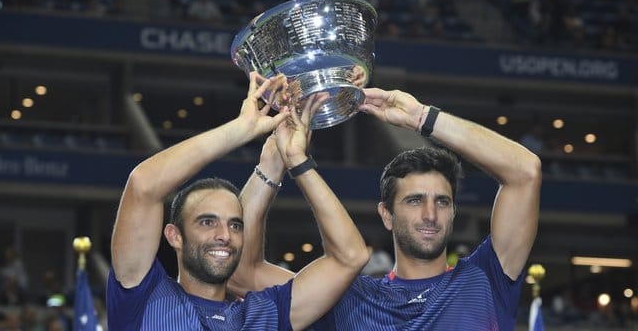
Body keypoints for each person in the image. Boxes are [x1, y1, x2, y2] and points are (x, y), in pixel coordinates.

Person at [231, 87, 542, 330]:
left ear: (453, 212)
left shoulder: (484, 280)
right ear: (386, 215)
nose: (430, 215)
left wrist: (422, 117)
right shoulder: (347, 298)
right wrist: (273, 162)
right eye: (415, 200)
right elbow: (242, 274)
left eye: (442, 201)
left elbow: (525, 172)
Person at [106, 72, 369, 330]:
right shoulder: (143, 298)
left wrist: (296, 161)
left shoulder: (266, 313)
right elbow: (143, 185)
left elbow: (350, 258)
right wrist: (241, 130)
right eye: (207, 222)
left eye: (235, 225)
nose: (224, 235)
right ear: (175, 235)